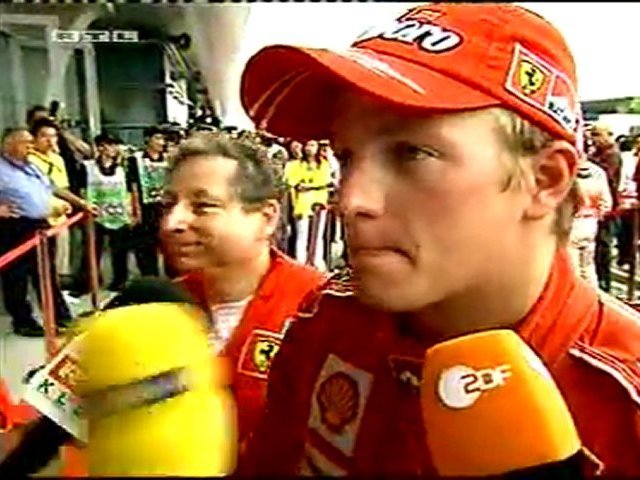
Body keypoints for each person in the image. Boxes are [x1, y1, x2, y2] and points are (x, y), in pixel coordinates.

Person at [239, 3, 640, 476]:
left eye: (411, 153)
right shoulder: (323, 325)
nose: (350, 200)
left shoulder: (624, 401)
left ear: (545, 179)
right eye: (346, 157)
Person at [159, 132, 326, 457]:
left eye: (203, 206)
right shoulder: (155, 306)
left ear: (267, 217)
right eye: (168, 205)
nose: (172, 223)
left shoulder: (320, 308)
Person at [0, 128, 95, 337]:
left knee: (46, 274)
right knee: (16, 277)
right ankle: (23, 321)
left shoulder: (31, 166)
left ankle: (60, 317)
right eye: (25, 143)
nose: (31, 147)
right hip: (14, 227)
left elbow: (53, 188)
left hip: (40, 225)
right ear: (9, 144)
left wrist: (81, 203)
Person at [73, 133, 133, 294]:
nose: (114, 149)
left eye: (115, 145)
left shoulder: (122, 168)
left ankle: (120, 281)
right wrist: (85, 207)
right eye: (109, 145)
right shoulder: (87, 167)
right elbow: (81, 189)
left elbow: (128, 190)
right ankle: (87, 283)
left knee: (119, 250)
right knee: (91, 251)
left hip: (118, 214)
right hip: (95, 214)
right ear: (100, 147)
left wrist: (131, 211)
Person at [126, 126, 168, 277]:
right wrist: (135, 208)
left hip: (163, 207)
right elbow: (133, 185)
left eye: (162, 139)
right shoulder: (135, 159)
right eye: (157, 138)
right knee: (145, 245)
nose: (161, 142)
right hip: (145, 207)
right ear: (147, 140)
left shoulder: (168, 159)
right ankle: (150, 275)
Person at [568, 155, 613, 287]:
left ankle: (577, 294)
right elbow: (607, 203)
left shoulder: (569, 173)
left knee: (573, 265)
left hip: (574, 222)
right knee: (588, 265)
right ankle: (593, 291)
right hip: (591, 222)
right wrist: (598, 214)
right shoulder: (598, 173)